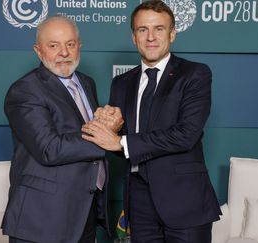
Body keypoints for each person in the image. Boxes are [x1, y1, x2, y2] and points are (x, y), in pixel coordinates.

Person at [82, 1, 221, 242]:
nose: (150, 37)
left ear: (173, 33)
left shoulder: (195, 74)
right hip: (138, 200)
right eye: (142, 30)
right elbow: (121, 145)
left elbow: (186, 134)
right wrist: (108, 129)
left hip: (184, 199)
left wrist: (120, 142)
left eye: (159, 29)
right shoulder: (122, 83)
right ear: (134, 37)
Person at [1, 15, 121, 243]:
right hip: (43, 218)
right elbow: (50, 148)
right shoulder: (25, 90)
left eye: (70, 44)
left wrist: (109, 126)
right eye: (53, 45)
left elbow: (85, 132)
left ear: (79, 46)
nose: (63, 52)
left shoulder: (87, 83)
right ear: (38, 51)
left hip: (84, 212)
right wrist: (107, 135)